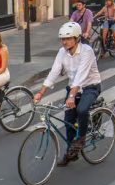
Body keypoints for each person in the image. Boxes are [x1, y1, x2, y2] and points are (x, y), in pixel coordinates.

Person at [33, 21, 102, 166]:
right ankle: (71, 153)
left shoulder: (87, 51)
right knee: (68, 121)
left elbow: (81, 76)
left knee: (81, 109)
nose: (64, 42)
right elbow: (54, 72)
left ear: (77, 38)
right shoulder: (62, 52)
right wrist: (41, 92)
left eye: (68, 38)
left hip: (90, 86)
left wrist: (71, 96)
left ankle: (81, 138)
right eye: (63, 39)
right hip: (73, 88)